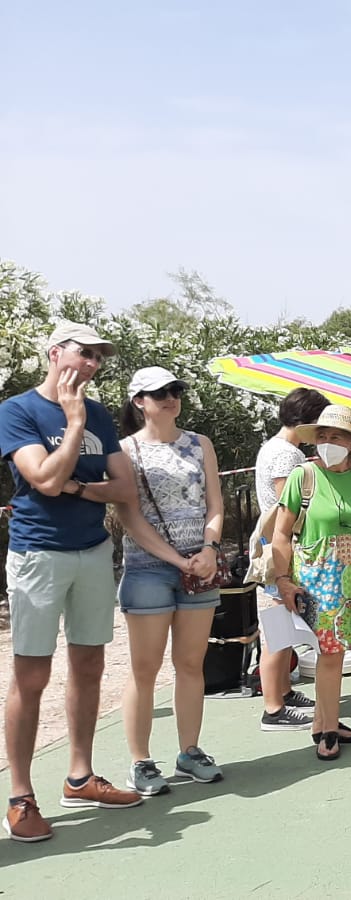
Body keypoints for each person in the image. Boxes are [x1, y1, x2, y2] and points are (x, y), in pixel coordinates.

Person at [2, 322, 143, 842]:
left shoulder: (101, 413)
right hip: (39, 555)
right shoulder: (18, 411)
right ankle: (20, 796)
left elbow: (124, 488)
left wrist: (78, 484)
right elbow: (41, 478)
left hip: (92, 553)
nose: (91, 365)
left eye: (98, 358)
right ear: (55, 351)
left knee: (89, 665)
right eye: (84, 353)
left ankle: (80, 777)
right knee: (31, 677)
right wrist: (75, 421)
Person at [114, 366, 226, 795]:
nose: (170, 397)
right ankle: (140, 761)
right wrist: (178, 560)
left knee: (191, 665)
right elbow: (129, 517)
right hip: (149, 568)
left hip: (200, 566)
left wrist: (210, 549)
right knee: (145, 669)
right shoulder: (124, 450)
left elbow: (215, 503)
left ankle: (189, 751)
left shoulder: (200, 444)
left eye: (175, 390)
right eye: (159, 392)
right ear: (138, 401)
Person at [269, 405, 351, 761]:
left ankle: (324, 721)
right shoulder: (303, 476)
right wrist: (283, 581)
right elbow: (281, 534)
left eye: (336, 436)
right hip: (317, 574)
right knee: (331, 654)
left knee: (338, 650)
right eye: (322, 436)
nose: (327, 442)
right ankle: (329, 733)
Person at [252, 388, 328, 731]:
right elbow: (291, 503)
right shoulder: (286, 456)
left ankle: (284, 690)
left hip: (278, 546)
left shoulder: (278, 448)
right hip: (283, 550)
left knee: (283, 626)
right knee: (278, 630)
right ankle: (273, 707)